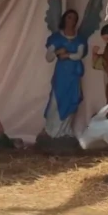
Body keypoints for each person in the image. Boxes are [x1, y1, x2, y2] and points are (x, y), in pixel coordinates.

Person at [43, 9, 87, 138]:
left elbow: (79, 54)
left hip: (73, 75)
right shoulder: (56, 37)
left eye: (74, 18)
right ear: (64, 19)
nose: (71, 20)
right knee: (56, 101)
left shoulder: (79, 39)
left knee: (71, 99)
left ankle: (65, 130)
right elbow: (48, 57)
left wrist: (66, 54)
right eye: (69, 17)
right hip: (61, 74)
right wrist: (57, 52)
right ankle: (52, 130)